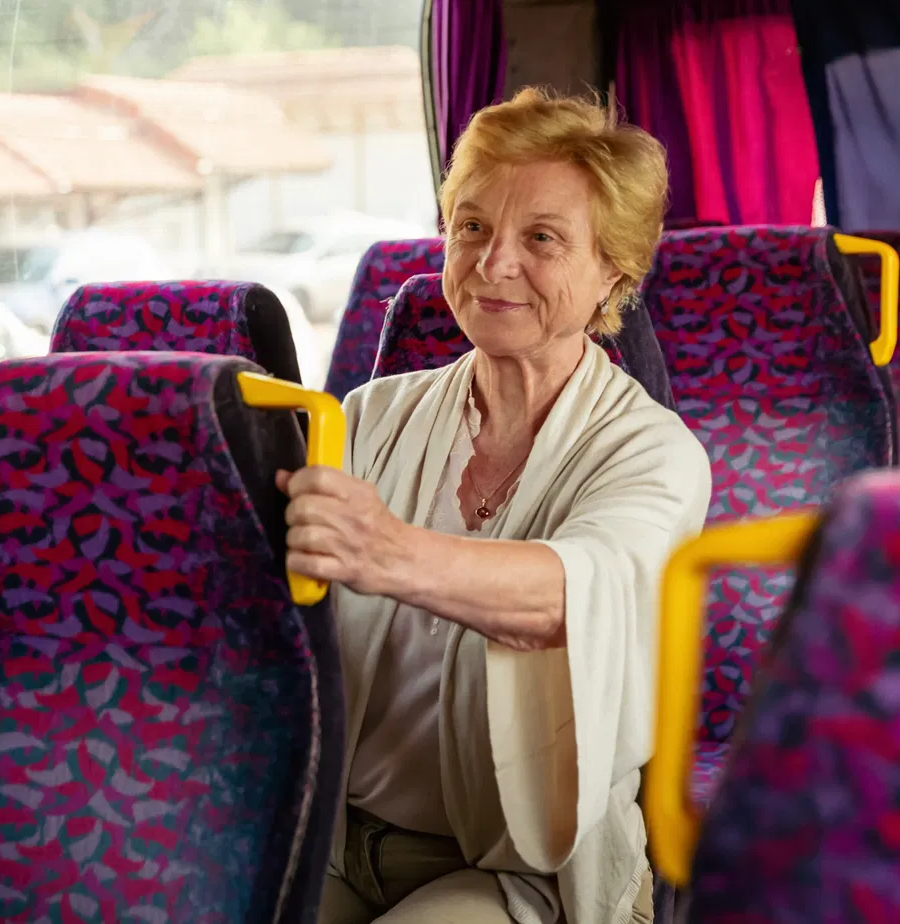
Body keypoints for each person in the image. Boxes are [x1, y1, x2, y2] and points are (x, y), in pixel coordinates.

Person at [277, 88, 713, 924]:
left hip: (524, 871)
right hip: (330, 839)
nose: (491, 262)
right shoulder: (370, 414)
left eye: (541, 239)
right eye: (471, 227)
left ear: (612, 272)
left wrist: (385, 552)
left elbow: (570, 596)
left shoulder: (656, 453)